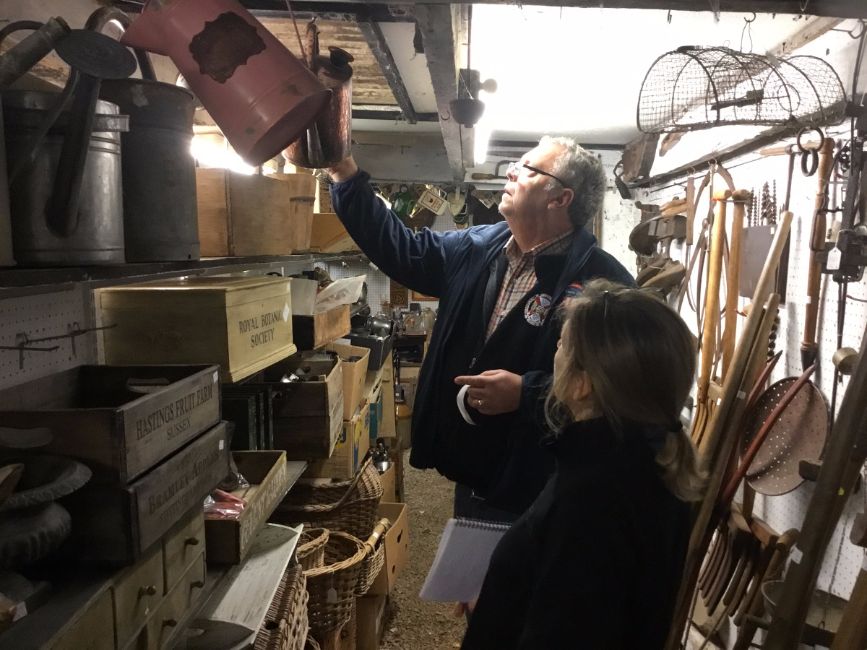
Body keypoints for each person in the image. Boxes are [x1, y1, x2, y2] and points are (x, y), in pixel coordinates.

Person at [325, 136, 633, 519]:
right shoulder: (475, 248)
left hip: (544, 481)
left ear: (560, 198)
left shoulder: (604, 283)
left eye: (528, 168)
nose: (511, 172)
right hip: (472, 467)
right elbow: (400, 248)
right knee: (472, 548)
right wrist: (344, 172)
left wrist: (528, 394)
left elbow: (621, 387)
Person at [461, 280, 704, 650]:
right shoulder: (648, 461)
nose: (554, 354)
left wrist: (499, 612)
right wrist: (502, 596)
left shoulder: (590, 501)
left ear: (582, 385)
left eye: (561, 345)